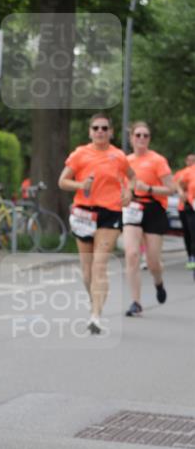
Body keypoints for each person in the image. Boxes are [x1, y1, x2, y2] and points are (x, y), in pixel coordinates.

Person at [58, 114, 134, 335]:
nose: (100, 131)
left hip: (110, 213)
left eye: (104, 128)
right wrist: (82, 184)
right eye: (96, 128)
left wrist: (129, 190)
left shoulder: (118, 156)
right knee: (87, 270)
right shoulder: (80, 154)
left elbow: (133, 177)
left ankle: (96, 316)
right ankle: (95, 303)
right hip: (84, 213)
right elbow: (62, 181)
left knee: (100, 265)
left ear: (111, 132)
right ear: (90, 131)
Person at [123, 122, 176, 316]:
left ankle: (158, 282)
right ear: (131, 138)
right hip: (133, 208)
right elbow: (121, 185)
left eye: (145, 135)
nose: (142, 139)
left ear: (149, 139)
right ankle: (135, 302)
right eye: (138, 135)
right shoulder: (125, 161)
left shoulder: (158, 160)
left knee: (153, 261)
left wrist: (150, 189)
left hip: (154, 208)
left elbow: (171, 188)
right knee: (132, 255)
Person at [174, 153, 195, 266]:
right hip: (187, 207)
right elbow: (176, 185)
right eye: (190, 160)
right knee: (189, 233)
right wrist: (182, 192)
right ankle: (191, 256)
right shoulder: (185, 172)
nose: (192, 162)